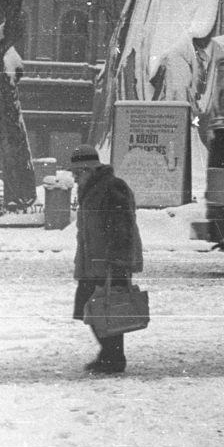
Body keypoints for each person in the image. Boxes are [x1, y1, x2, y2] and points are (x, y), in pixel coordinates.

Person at [70, 144, 144, 375]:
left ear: (90, 169)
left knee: (108, 309)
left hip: (110, 263)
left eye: (78, 173)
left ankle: (113, 358)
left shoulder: (112, 187)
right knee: (92, 309)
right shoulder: (91, 189)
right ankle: (109, 355)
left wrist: (118, 261)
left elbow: (123, 227)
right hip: (93, 262)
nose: (74, 178)